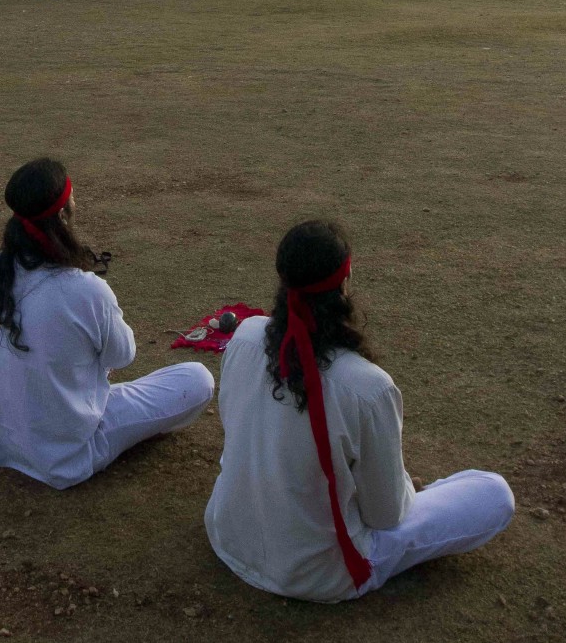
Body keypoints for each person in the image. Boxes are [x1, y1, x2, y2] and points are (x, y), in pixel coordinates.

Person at [204, 220, 514, 602]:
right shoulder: (368, 386)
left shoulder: (245, 337)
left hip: (229, 535)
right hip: (317, 574)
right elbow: (387, 516)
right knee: (494, 493)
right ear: (345, 283)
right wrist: (403, 485)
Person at [0, 158, 214, 489]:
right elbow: (122, 356)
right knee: (197, 379)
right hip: (65, 455)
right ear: (61, 215)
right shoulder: (85, 289)